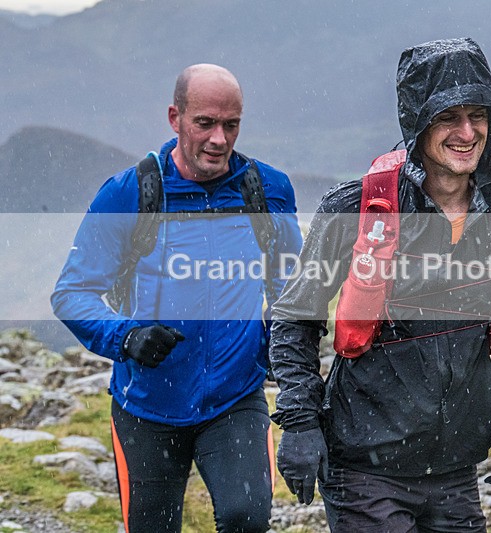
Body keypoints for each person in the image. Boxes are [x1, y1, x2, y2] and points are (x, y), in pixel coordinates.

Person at [269, 38, 491, 532]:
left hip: (455, 471)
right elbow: (295, 318)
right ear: (417, 123)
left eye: (478, 115)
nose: (467, 133)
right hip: (364, 469)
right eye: (448, 117)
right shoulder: (355, 209)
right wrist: (300, 423)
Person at [51, 64, 302, 533]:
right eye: (205, 123)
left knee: (246, 519)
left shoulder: (267, 190)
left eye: (231, 125)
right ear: (175, 118)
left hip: (235, 399)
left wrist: (273, 342)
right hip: (146, 408)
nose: (219, 139)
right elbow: (71, 293)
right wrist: (127, 338)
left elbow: (290, 287)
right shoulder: (129, 194)